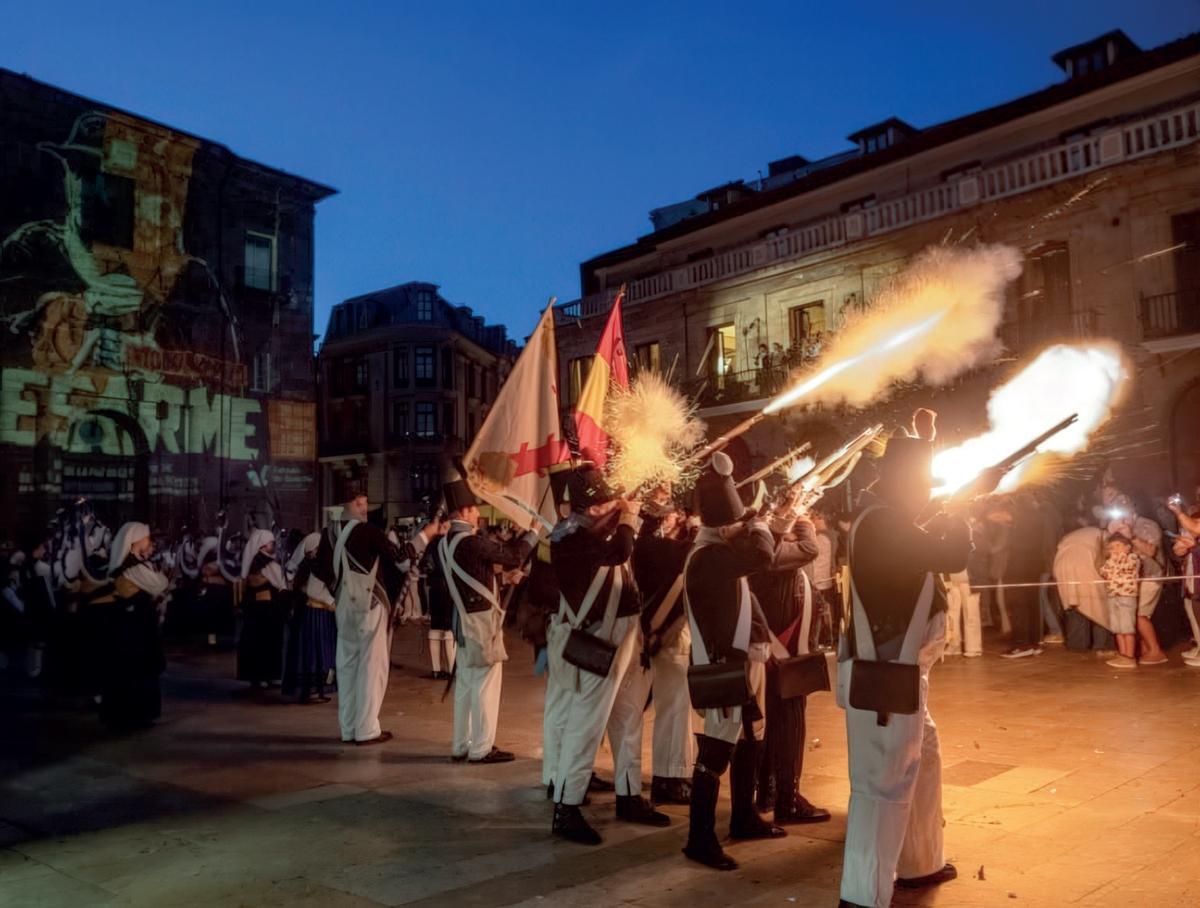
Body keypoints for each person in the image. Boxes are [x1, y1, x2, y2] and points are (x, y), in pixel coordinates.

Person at [838, 410, 969, 908]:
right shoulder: (883, 526)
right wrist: (961, 505)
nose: (927, 495)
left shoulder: (886, 520)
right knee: (882, 789)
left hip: (906, 673)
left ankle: (919, 862)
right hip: (888, 677)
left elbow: (923, 542)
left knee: (923, 761)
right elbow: (951, 553)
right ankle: (862, 895)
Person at [549, 462, 667, 845]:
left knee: (629, 719)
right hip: (599, 639)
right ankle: (566, 805)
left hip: (627, 633)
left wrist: (640, 510)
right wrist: (628, 516)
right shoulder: (569, 537)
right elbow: (619, 550)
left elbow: (636, 546)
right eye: (605, 500)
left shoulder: (600, 529)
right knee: (586, 724)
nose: (614, 503)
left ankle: (629, 793)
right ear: (592, 508)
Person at [683, 452, 784, 871]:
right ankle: (700, 838)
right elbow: (763, 556)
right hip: (722, 665)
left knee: (747, 740)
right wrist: (759, 523)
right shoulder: (708, 557)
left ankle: (743, 816)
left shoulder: (714, 550)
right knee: (716, 751)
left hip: (738, 661)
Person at [428, 468, 538, 764]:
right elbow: (513, 555)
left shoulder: (443, 545)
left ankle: (460, 744)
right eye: (474, 508)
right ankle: (482, 747)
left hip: (462, 622)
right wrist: (534, 531)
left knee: (465, 685)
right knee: (485, 685)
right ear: (464, 511)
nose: (478, 513)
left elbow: (473, 577)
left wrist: (502, 581)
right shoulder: (472, 542)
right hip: (481, 622)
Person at [751, 490, 831, 826]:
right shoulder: (768, 553)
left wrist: (789, 511)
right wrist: (801, 518)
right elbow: (810, 548)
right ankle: (787, 798)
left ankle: (769, 791)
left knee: (775, 729)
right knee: (790, 727)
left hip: (779, 654)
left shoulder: (763, 549)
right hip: (783, 657)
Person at [312, 490, 405, 745]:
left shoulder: (328, 534)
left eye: (364, 503)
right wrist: (424, 537)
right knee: (372, 668)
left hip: (343, 605)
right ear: (345, 505)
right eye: (358, 503)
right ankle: (366, 729)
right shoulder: (368, 531)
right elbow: (401, 559)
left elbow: (319, 570)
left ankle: (348, 727)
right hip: (371, 604)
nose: (364, 508)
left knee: (346, 666)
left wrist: (336, 593)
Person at [633, 499, 695, 806]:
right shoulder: (654, 548)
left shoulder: (641, 545)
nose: (677, 519)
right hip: (668, 638)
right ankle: (669, 777)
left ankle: (674, 773)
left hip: (653, 636)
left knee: (671, 710)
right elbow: (693, 554)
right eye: (671, 515)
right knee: (673, 710)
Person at [91, 522, 170, 730]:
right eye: (146, 539)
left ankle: (136, 714)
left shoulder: (135, 564)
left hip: (137, 625)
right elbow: (159, 584)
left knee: (138, 671)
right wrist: (161, 578)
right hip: (133, 628)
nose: (149, 542)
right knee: (134, 671)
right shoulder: (131, 566)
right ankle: (131, 716)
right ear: (136, 541)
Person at [281, 532, 337, 703]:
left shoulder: (316, 567)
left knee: (317, 654)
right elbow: (313, 590)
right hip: (314, 616)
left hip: (319, 614)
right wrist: (332, 602)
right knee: (313, 654)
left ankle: (316, 690)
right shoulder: (311, 568)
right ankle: (310, 691)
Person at [237, 529, 288, 688]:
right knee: (263, 644)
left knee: (264, 644)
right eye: (272, 544)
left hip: (263, 610)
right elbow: (280, 582)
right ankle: (263, 676)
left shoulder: (261, 562)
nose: (274, 546)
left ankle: (263, 677)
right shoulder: (263, 563)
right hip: (264, 610)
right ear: (263, 546)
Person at [1099, 532, 1141, 669]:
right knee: (1117, 629)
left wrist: (1116, 558)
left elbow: (1125, 567)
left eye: (1118, 546)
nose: (1115, 550)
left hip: (1126, 597)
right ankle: (1122, 654)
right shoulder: (1109, 561)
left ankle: (1129, 657)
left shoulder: (1133, 558)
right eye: (1111, 548)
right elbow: (1103, 571)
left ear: (1128, 547)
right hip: (1113, 596)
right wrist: (1111, 560)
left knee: (1127, 628)